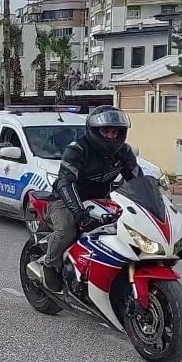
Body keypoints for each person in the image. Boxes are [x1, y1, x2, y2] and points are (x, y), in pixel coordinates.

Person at [42, 105, 141, 292]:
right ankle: (50, 265)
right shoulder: (78, 149)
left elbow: (138, 180)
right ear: (94, 130)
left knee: (123, 230)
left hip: (100, 200)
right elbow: (66, 182)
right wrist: (79, 215)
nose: (111, 136)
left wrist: (152, 206)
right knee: (67, 229)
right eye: (106, 131)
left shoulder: (124, 152)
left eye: (116, 131)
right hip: (64, 199)